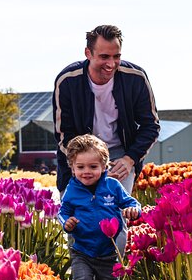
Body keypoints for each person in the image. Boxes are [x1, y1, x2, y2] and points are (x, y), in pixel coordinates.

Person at [52, 24, 160, 195]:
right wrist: (88, 164)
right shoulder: (67, 81)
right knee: (77, 216)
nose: (111, 64)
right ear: (88, 53)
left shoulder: (135, 78)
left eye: (116, 56)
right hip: (79, 158)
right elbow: (64, 134)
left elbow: (151, 126)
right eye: (104, 57)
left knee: (115, 214)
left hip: (120, 156)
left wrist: (130, 159)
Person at [58, 134, 141, 280]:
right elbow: (64, 211)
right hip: (82, 251)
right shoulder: (72, 189)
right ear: (72, 168)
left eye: (93, 167)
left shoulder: (112, 186)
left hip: (108, 253)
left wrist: (133, 210)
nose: (87, 172)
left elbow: (130, 202)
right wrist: (66, 223)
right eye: (81, 167)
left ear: (104, 166)